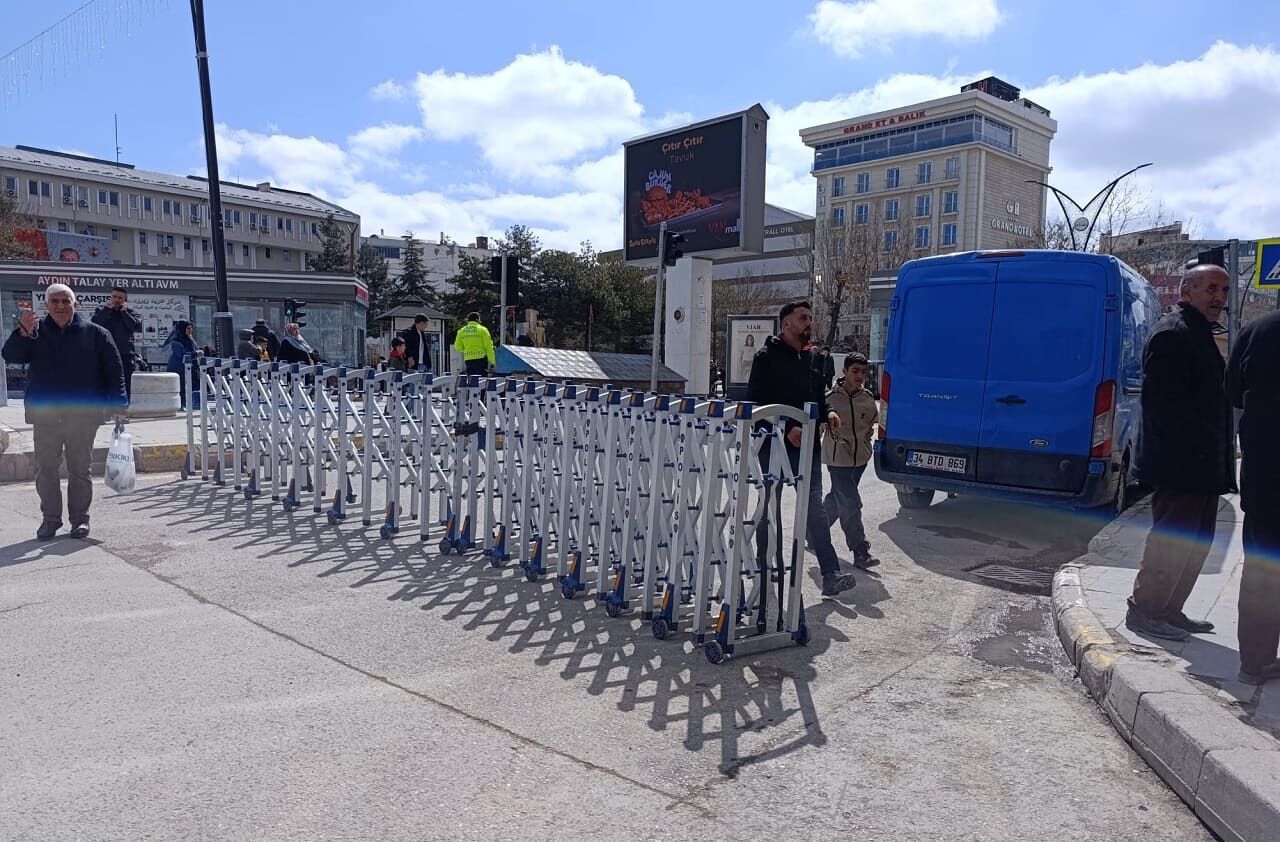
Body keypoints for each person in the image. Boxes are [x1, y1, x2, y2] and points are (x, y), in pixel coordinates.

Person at [1127, 264, 1236, 641]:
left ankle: (1170, 609)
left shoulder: (1199, 333)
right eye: (1211, 289)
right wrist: (1189, 456)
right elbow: (1161, 407)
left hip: (1203, 466)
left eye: (1223, 290)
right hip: (1181, 466)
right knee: (1171, 542)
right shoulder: (1173, 333)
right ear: (1187, 292)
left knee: (1196, 542)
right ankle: (1144, 611)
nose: (1219, 297)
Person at [748, 301, 857, 597]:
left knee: (814, 509)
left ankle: (830, 574)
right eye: (803, 318)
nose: (809, 323)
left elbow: (817, 397)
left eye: (810, 318)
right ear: (786, 324)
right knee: (768, 507)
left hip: (807, 446)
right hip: (771, 444)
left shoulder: (813, 358)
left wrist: (828, 413)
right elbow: (757, 404)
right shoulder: (765, 358)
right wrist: (785, 428)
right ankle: (763, 567)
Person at [2, 283, 127, 541]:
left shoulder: (96, 334)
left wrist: (118, 406)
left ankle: (80, 520)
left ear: (75, 304)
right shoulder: (34, 333)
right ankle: (50, 520)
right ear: (46, 306)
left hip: (83, 415)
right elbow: (12, 356)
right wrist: (22, 333)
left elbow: (114, 371)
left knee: (79, 469)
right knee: (46, 469)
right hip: (45, 415)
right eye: (55, 302)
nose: (60, 306)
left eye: (65, 301)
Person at [1226, 307, 1280, 684]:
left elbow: (1232, 390)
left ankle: (1255, 662)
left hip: (1265, 472)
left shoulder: (1258, 330)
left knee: (1262, 566)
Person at [821, 353, 880, 570]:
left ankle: (814, 531)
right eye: (855, 371)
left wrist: (869, 443)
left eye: (863, 372)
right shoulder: (830, 399)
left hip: (860, 459)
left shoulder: (866, 399)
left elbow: (875, 422)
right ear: (844, 371)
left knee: (838, 497)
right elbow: (818, 427)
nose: (859, 376)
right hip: (838, 458)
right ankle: (860, 551)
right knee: (850, 502)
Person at [91, 286, 143, 400]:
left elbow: (136, 327)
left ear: (125, 300)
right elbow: (95, 324)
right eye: (114, 296)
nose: (116, 300)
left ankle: (122, 411)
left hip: (125, 355)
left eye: (120, 298)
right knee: (105, 383)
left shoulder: (131, 313)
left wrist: (124, 313)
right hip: (105, 354)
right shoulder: (102, 310)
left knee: (125, 385)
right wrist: (107, 310)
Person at [166, 320, 198, 409]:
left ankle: (187, 404)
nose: (191, 330)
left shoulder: (189, 339)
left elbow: (195, 349)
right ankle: (181, 405)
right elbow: (182, 354)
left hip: (189, 368)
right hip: (178, 368)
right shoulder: (176, 341)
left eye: (191, 328)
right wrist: (195, 354)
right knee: (181, 387)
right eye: (188, 328)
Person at [454, 311, 496, 376]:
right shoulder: (483, 330)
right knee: (481, 381)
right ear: (477, 319)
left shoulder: (461, 331)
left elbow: (457, 347)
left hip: (468, 359)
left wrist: (467, 349)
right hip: (481, 359)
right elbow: (489, 347)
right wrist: (492, 362)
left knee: (472, 380)